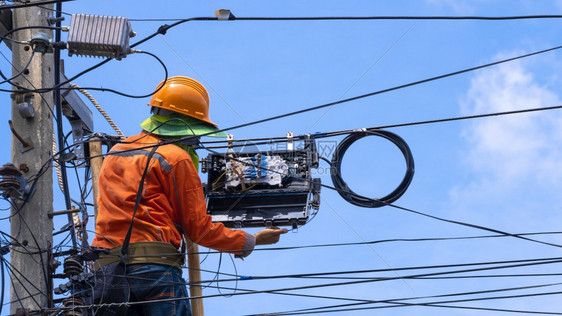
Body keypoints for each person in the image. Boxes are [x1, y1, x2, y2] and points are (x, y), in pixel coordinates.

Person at [91, 76, 288, 315]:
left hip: (107, 270)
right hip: (155, 269)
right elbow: (199, 230)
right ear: (189, 126)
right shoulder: (175, 158)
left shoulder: (115, 153)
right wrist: (252, 241)